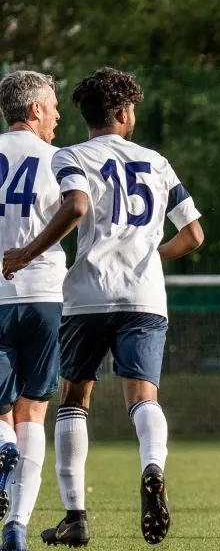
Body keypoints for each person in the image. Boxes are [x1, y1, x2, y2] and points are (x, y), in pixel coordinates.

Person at [2, 67, 204, 547]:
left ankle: (75, 516)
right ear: (125, 112)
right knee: (143, 398)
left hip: (86, 297)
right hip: (144, 295)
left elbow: (77, 204)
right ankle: (152, 463)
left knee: (73, 401)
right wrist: (149, 258)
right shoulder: (156, 161)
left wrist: (24, 254)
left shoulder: (70, 155)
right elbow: (194, 234)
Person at [0, 70, 64, 551]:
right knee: (34, 412)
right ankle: (17, 526)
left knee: (1, 412)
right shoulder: (59, 159)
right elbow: (82, 207)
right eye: (55, 106)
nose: (59, 115)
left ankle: (2, 449)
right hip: (43, 294)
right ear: (36, 108)